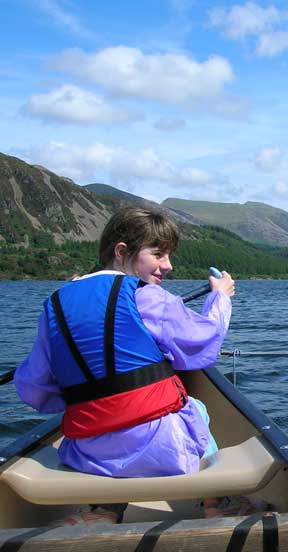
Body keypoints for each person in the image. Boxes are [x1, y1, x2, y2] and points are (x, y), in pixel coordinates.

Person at [13, 206, 251, 523]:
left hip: (87, 455)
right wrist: (220, 297)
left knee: (110, 425)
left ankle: (104, 509)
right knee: (195, 407)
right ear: (122, 251)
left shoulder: (55, 304)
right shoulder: (147, 295)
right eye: (159, 254)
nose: (168, 266)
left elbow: (35, 390)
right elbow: (201, 345)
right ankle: (216, 504)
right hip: (164, 451)